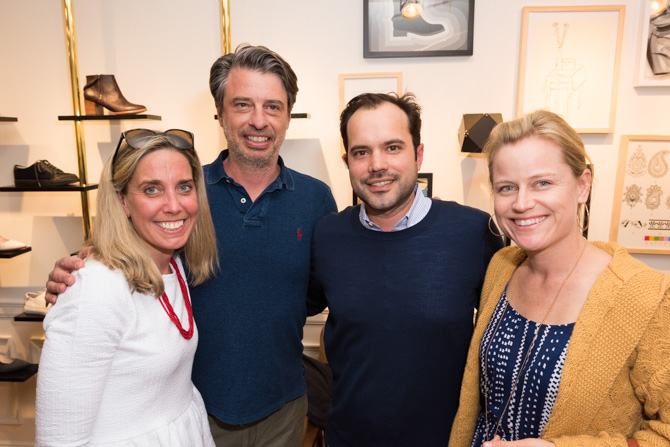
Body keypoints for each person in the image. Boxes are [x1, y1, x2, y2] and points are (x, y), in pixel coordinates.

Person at [44, 45, 337, 447]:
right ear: (219, 112)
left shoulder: (315, 199)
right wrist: (74, 273)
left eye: (273, 106)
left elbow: (315, 296)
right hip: (193, 408)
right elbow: (119, 254)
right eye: (242, 104)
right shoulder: (183, 195)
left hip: (283, 407)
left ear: (288, 116)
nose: (258, 120)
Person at [449, 110, 670, 447]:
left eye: (543, 183)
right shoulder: (501, 267)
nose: (522, 203)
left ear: (583, 185)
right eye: (507, 187)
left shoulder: (648, 297)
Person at [306, 92, 504, 446]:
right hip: (348, 438)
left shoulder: (473, 232)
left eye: (393, 147)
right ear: (347, 161)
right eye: (361, 152)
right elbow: (286, 311)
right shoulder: (327, 235)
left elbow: (507, 339)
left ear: (418, 153)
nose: (376, 164)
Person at [36, 129, 218, 445]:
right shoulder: (98, 288)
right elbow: (59, 439)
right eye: (152, 190)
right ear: (122, 201)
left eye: (184, 187)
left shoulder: (173, 263)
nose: (174, 205)